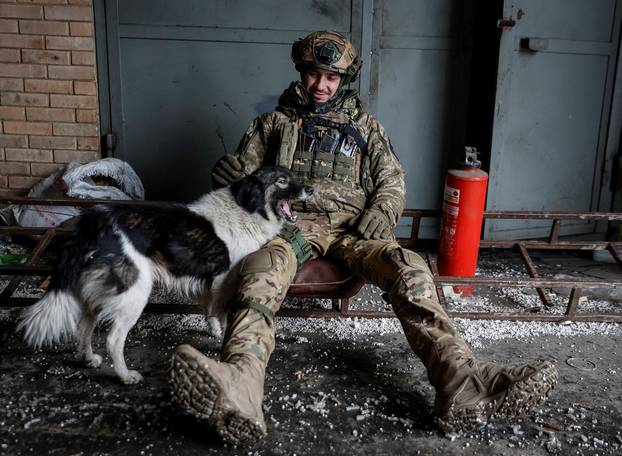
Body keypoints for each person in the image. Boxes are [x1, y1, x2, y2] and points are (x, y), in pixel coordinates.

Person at [169, 30, 558, 446]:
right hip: (290, 227)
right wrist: (233, 182)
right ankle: (240, 383)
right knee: (259, 273)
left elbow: (392, 180)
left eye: (331, 78)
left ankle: (462, 380)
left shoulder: (366, 128)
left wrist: (381, 211)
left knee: (410, 269)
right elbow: (242, 178)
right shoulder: (272, 125)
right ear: (302, 73)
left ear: (344, 80)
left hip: (355, 232)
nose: (321, 85)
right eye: (314, 74)